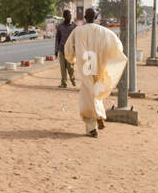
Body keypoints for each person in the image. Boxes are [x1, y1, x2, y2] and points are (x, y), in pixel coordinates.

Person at [64, 7, 127, 137]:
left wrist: (71, 59)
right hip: (99, 65)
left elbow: (68, 48)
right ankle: (98, 116)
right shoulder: (105, 32)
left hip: (86, 66)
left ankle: (93, 125)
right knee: (96, 91)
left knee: (87, 95)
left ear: (85, 17)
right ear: (96, 17)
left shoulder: (78, 31)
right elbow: (118, 46)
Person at [54, 8, 77, 88]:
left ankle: (73, 79)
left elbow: (77, 38)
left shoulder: (74, 26)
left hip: (70, 50)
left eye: (71, 14)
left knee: (70, 67)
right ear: (64, 16)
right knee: (62, 67)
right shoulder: (60, 26)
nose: (70, 16)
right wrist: (56, 50)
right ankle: (64, 83)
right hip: (62, 49)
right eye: (69, 14)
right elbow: (57, 38)